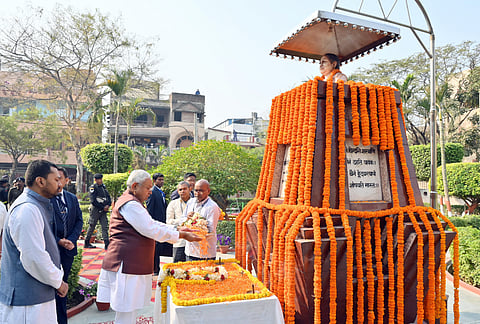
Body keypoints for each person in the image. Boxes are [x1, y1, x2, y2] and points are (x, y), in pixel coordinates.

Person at [96, 170, 201, 324]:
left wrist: (177, 230)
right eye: (147, 188)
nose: (150, 192)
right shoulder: (130, 204)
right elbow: (150, 229)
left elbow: (151, 223)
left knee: (129, 309)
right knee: (126, 310)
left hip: (131, 263)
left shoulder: (133, 202)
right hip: (127, 263)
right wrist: (181, 235)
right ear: (134, 186)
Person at [0, 159, 68, 324]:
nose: (60, 184)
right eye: (56, 179)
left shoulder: (36, 205)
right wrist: (58, 282)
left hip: (36, 299)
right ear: (41, 181)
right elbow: (33, 257)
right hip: (27, 304)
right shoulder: (27, 209)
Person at [50, 167, 83, 324]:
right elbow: (44, 227)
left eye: (59, 179)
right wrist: (58, 240)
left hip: (68, 250)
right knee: (52, 287)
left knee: (63, 287)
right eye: (54, 179)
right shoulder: (46, 199)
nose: (57, 183)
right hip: (51, 250)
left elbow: (78, 220)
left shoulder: (71, 198)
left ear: (66, 180)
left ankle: (62, 320)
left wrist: (71, 239)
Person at [182, 179, 221, 261]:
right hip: (190, 251)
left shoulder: (212, 207)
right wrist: (187, 219)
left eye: (201, 191)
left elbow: (210, 230)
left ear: (208, 191)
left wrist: (198, 224)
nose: (197, 193)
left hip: (206, 253)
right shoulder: (191, 202)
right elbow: (182, 219)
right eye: (196, 190)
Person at [146, 173, 171, 274]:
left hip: (162, 223)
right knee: (155, 248)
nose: (162, 182)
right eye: (159, 180)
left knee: (159, 247)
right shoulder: (152, 192)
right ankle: (155, 269)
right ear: (154, 180)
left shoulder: (160, 192)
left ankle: (157, 268)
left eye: (162, 180)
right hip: (155, 223)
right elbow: (150, 209)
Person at [166, 181, 192, 262]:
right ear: (177, 191)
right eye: (180, 189)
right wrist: (183, 221)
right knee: (178, 269)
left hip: (193, 243)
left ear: (190, 189)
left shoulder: (195, 203)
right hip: (179, 242)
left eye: (185, 189)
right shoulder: (173, 204)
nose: (182, 191)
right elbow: (169, 221)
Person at [84, 173, 111, 249]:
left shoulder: (103, 187)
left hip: (103, 211)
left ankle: (107, 244)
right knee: (92, 226)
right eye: (99, 179)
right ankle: (87, 242)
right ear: (95, 180)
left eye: (101, 179)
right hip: (96, 210)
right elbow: (93, 201)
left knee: (104, 226)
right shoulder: (93, 188)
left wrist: (108, 205)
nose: (100, 181)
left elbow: (108, 198)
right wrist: (102, 207)